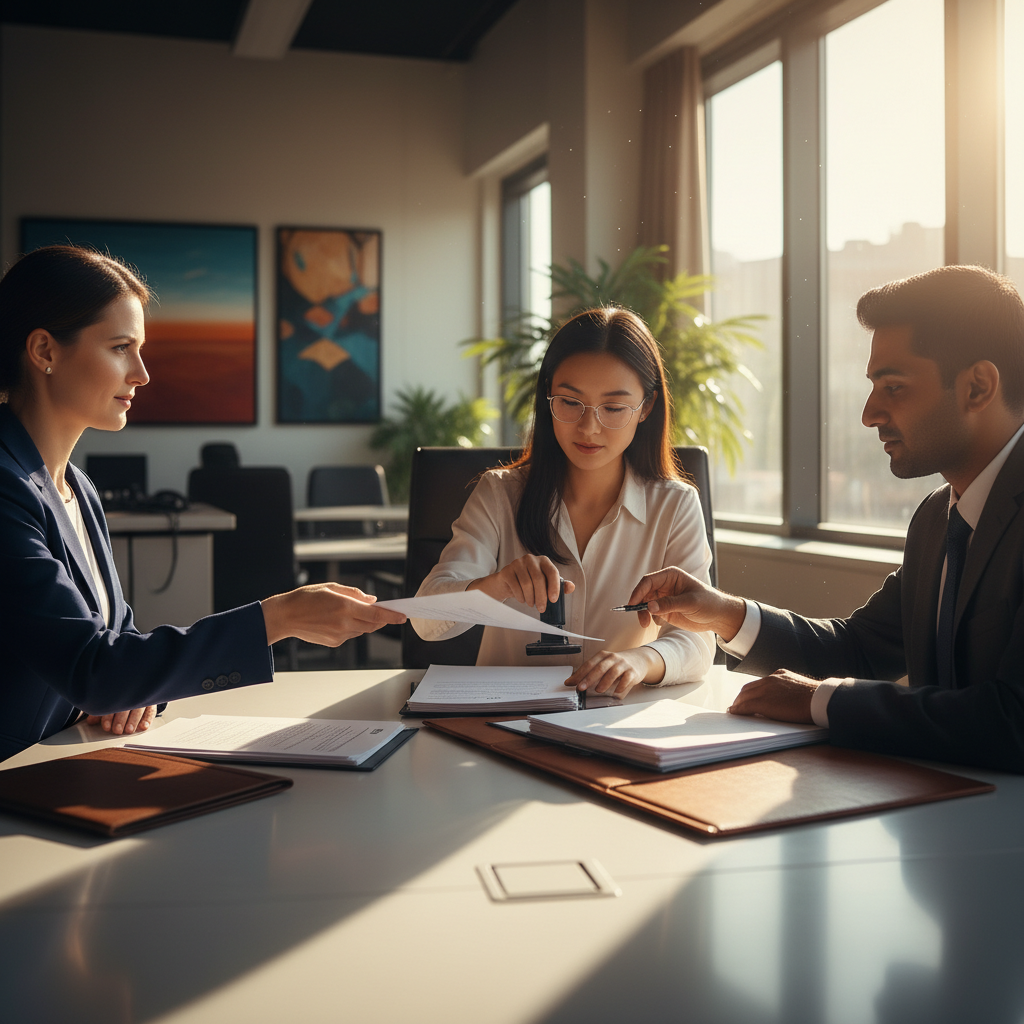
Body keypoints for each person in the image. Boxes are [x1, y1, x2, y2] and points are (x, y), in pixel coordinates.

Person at [0, 245, 406, 762]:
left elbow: (118, 646)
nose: (142, 373)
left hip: (68, 757)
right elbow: (96, 670)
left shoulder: (79, 487)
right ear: (45, 351)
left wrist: (129, 687)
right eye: (121, 347)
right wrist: (275, 618)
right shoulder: (6, 489)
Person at [628, 265, 1024, 772]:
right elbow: (859, 651)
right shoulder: (936, 520)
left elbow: (1014, 719)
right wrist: (724, 613)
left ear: (978, 386)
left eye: (895, 387)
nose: (869, 413)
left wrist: (823, 702)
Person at [412, 307, 714, 697]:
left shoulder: (675, 506)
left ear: (647, 408)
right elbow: (425, 620)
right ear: (548, 397)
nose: (589, 427)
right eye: (571, 403)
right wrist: (496, 584)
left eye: (614, 408)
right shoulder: (500, 493)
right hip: (504, 723)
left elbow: (698, 640)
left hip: (613, 726)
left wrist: (641, 660)